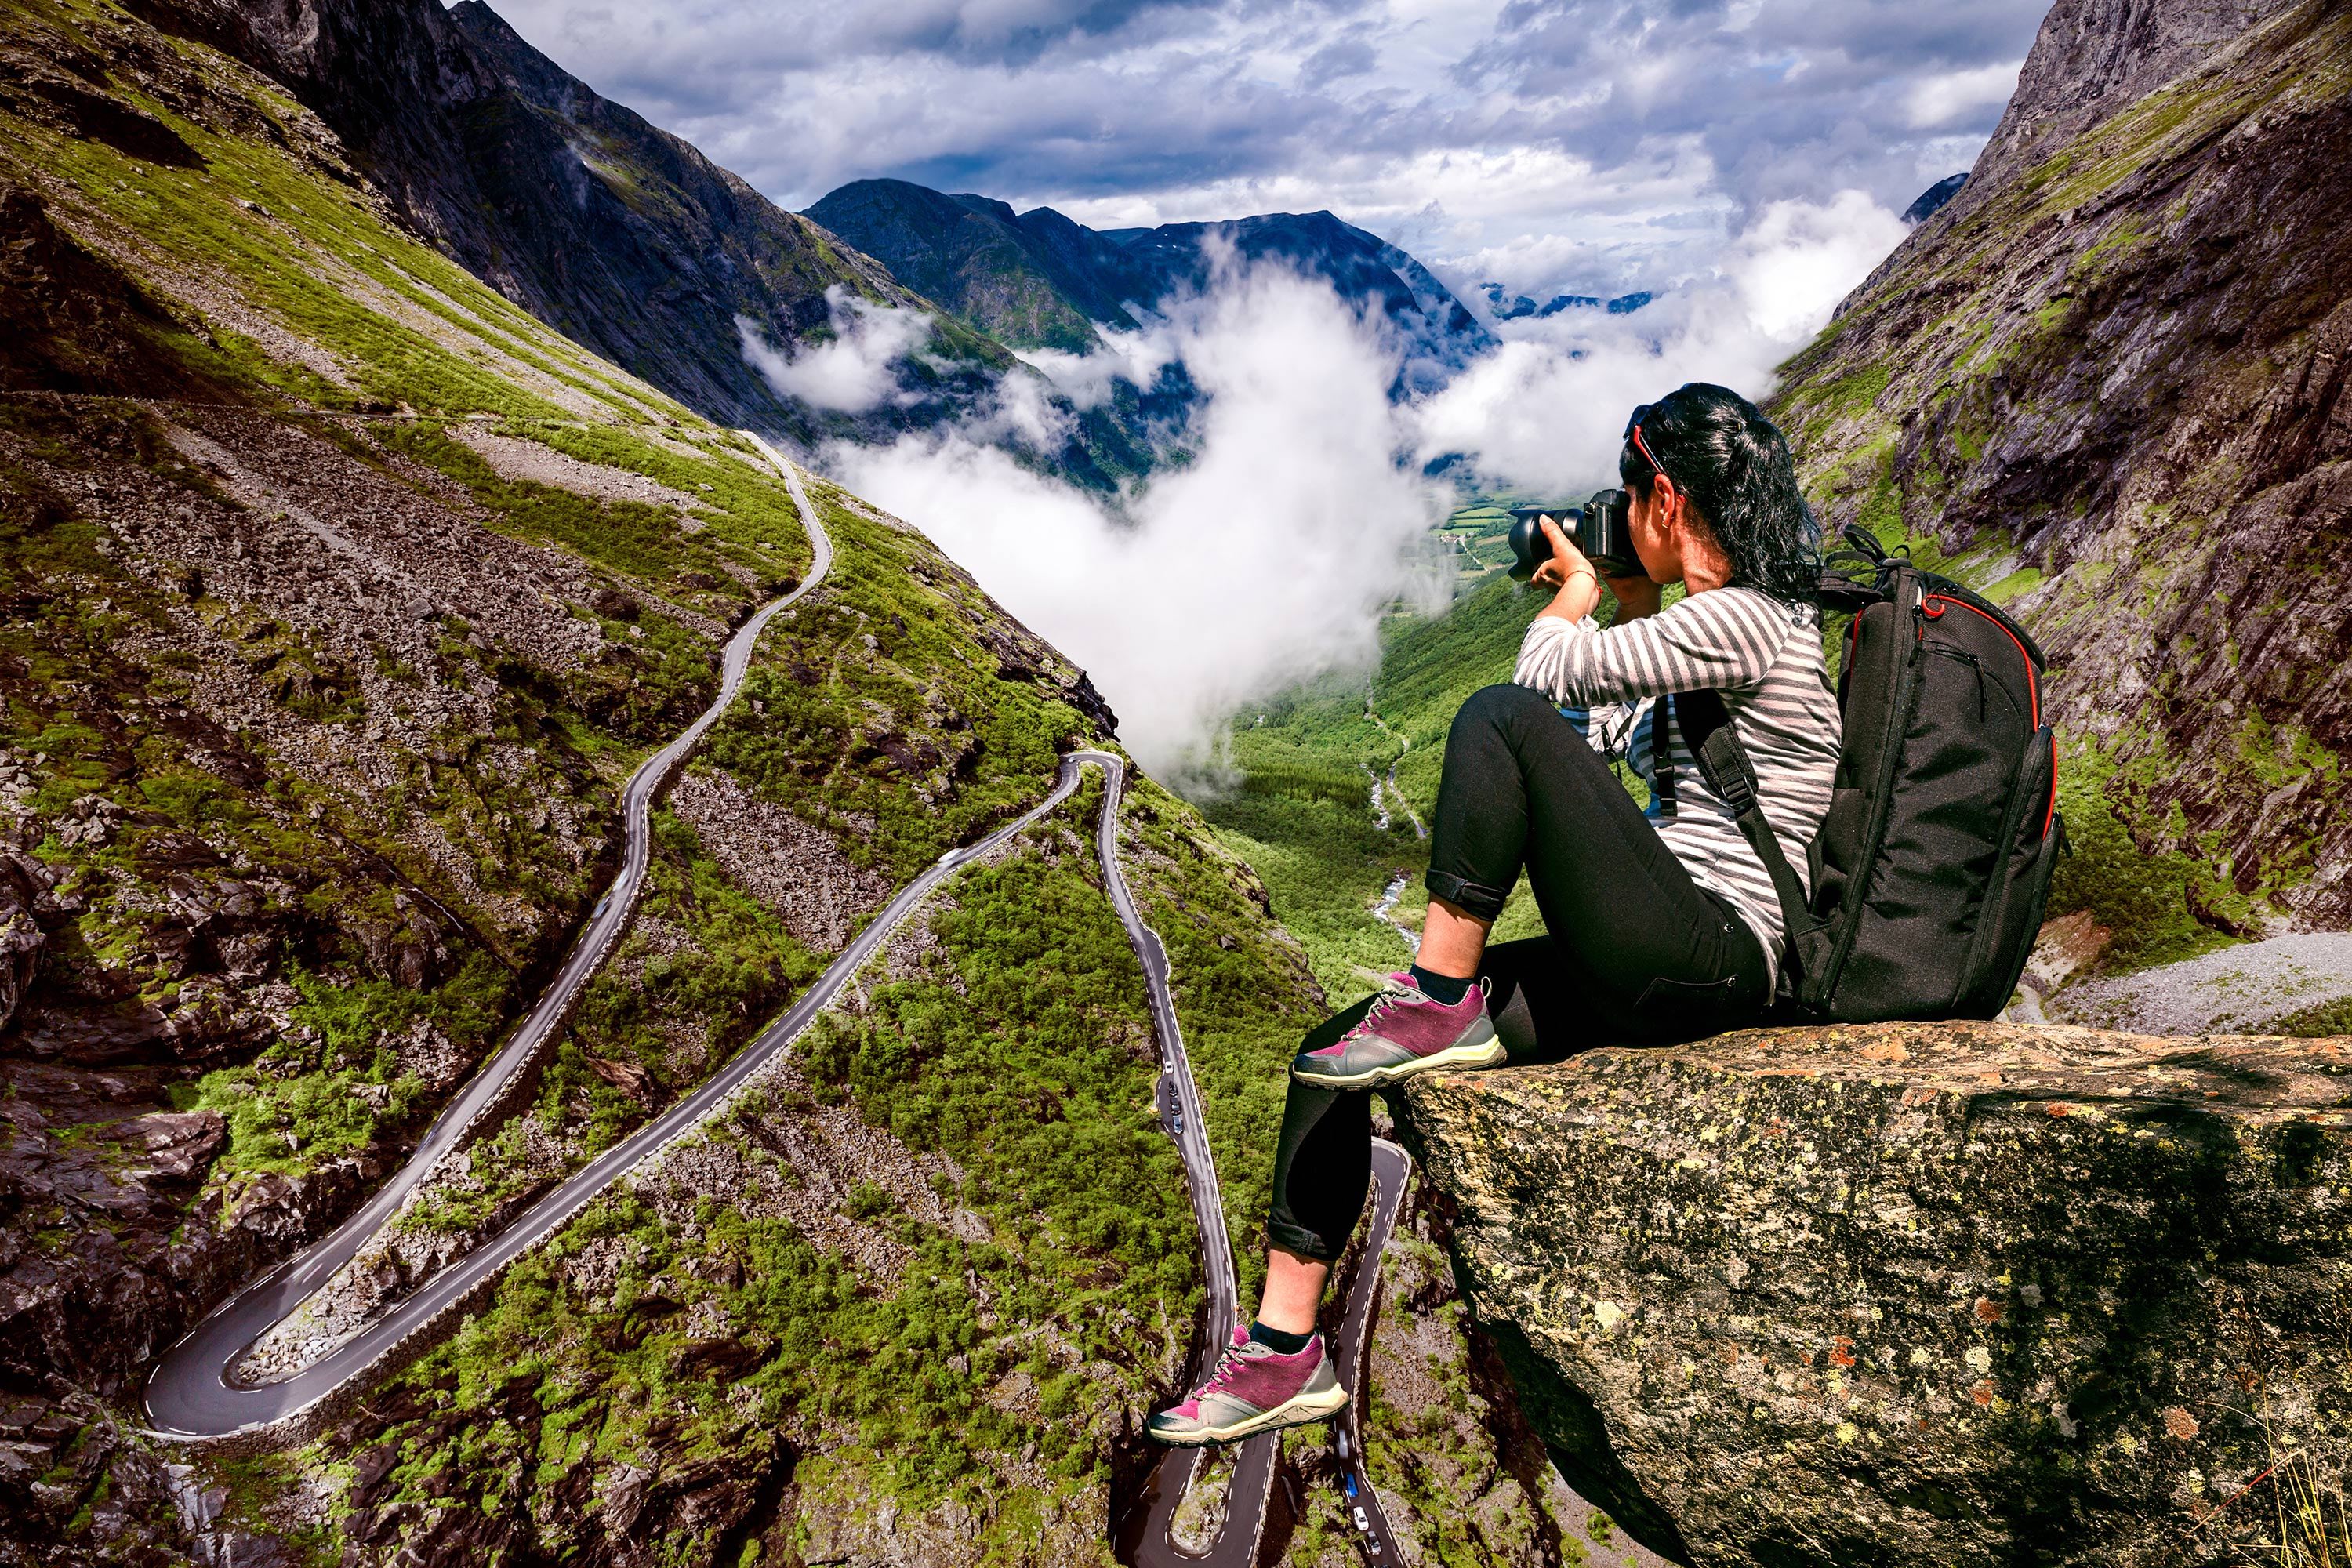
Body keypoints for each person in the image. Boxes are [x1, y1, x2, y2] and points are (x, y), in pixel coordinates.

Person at [1145, 382, 1842, 1446]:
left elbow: (1541, 682)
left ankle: (1438, 991)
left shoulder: (1753, 618)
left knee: (1496, 714)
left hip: (1718, 953)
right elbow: (1591, 750)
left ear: (1664, 497)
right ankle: (1285, 1351)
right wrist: (1630, 609)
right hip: (1661, 950)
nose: (1620, 518)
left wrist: (1577, 596)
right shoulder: (1715, 629)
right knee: (1334, 1051)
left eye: (1630, 497)